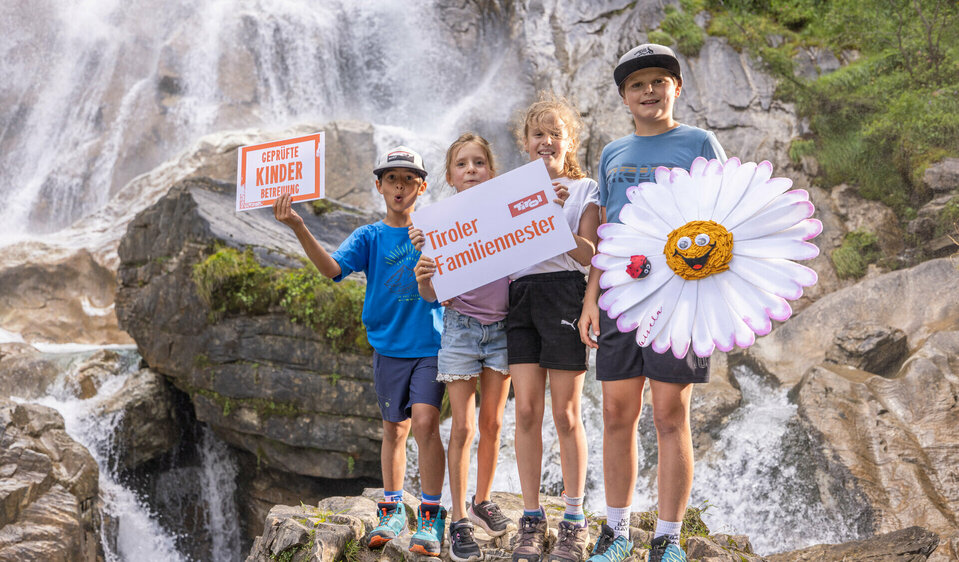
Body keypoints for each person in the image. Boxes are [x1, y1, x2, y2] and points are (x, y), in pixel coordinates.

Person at [578, 44, 727, 562]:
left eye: (658, 81)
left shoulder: (700, 142)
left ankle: (667, 538)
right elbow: (606, 236)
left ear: (676, 88)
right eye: (637, 84)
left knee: (669, 413)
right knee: (618, 413)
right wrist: (591, 300)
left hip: (680, 297)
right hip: (621, 294)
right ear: (624, 96)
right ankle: (615, 531)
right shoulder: (612, 153)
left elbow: (729, 215)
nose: (648, 91)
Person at [272, 146, 448, 557]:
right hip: (387, 347)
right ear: (379, 185)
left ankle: (431, 513)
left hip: (429, 345)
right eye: (392, 179)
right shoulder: (369, 236)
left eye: (408, 179)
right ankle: (392, 508)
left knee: (424, 422)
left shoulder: (438, 228)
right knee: (394, 429)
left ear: (422, 186)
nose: (399, 186)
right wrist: (298, 226)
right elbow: (332, 269)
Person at [410, 133, 514, 562]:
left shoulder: (508, 214)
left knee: (491, 424)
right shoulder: (439, 228)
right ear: (450, 177)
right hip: (460, 331)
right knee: (465, 427)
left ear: (491, 171)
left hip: (504, 330)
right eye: (462, 164)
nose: (471, 169)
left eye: (479, 163)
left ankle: (481, 501)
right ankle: (456, 520)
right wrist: (423, 274)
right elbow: (431, 296)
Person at [508, 94, 600, 562]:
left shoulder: (584, 190)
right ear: (526, 142)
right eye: (538, 134)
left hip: (564, 290)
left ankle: (574, 518)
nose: (546, 142)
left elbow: (589, 255)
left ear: (570, 140)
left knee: (565, 414)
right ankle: (530, 517)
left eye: (555, 134)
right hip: (520, 297)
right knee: (525, 411)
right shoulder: (507, 192)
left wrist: (549, 214)